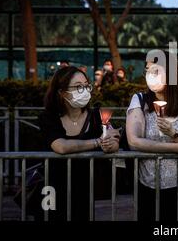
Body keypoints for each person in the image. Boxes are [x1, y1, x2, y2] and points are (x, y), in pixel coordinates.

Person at [126, 52, 178, 221]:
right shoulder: (139, 100)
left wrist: (174, 134)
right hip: (148, 184)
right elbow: (134, 141)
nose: (150, 76)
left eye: (155, 71)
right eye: (147, 71)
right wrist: (176, 147)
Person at [38, 66, 120, 221]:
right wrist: (97, 142)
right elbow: (60, 146)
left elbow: (114, 141)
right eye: (77, 87)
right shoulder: (48, 117)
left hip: (84, 189)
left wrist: (111, 143)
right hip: (51, 190)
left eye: (86, 85)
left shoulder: (97, 116)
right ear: (61, 92)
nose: (84, 90)